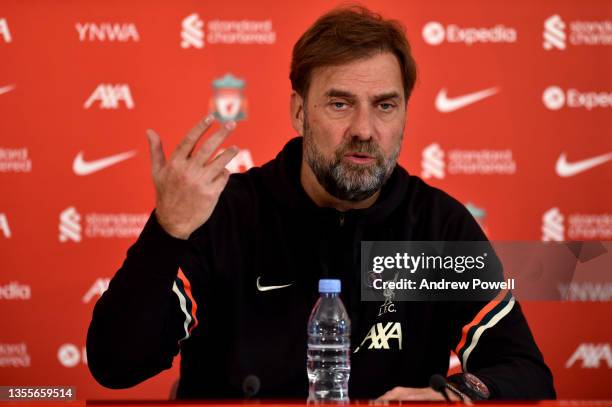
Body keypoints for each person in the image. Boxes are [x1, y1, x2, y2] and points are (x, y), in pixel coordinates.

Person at [87, 6, 556, 400]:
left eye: (385, 105)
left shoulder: (435, 226)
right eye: (339, 104)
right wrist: (167, 232)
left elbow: (525, 371)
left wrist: (455, 394)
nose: (365, 129)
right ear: (298, 111)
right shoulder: (226, 213)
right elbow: (116, 364)